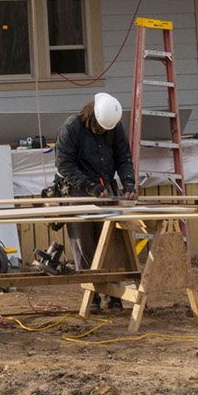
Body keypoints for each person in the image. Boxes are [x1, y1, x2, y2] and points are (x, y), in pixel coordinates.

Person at [55, 92, 136, 306]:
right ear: (92, 118)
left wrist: (129, 183)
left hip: (105, 188)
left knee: (111, 242)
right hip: (78, 190)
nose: (103, 132)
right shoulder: (72, 127)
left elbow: (124, 157)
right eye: (100, 129)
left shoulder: (114, 126)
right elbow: (64, 164)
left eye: (106, 130)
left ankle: (114, 294)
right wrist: (88, 185)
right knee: (84, 244)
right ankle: (91, 295)